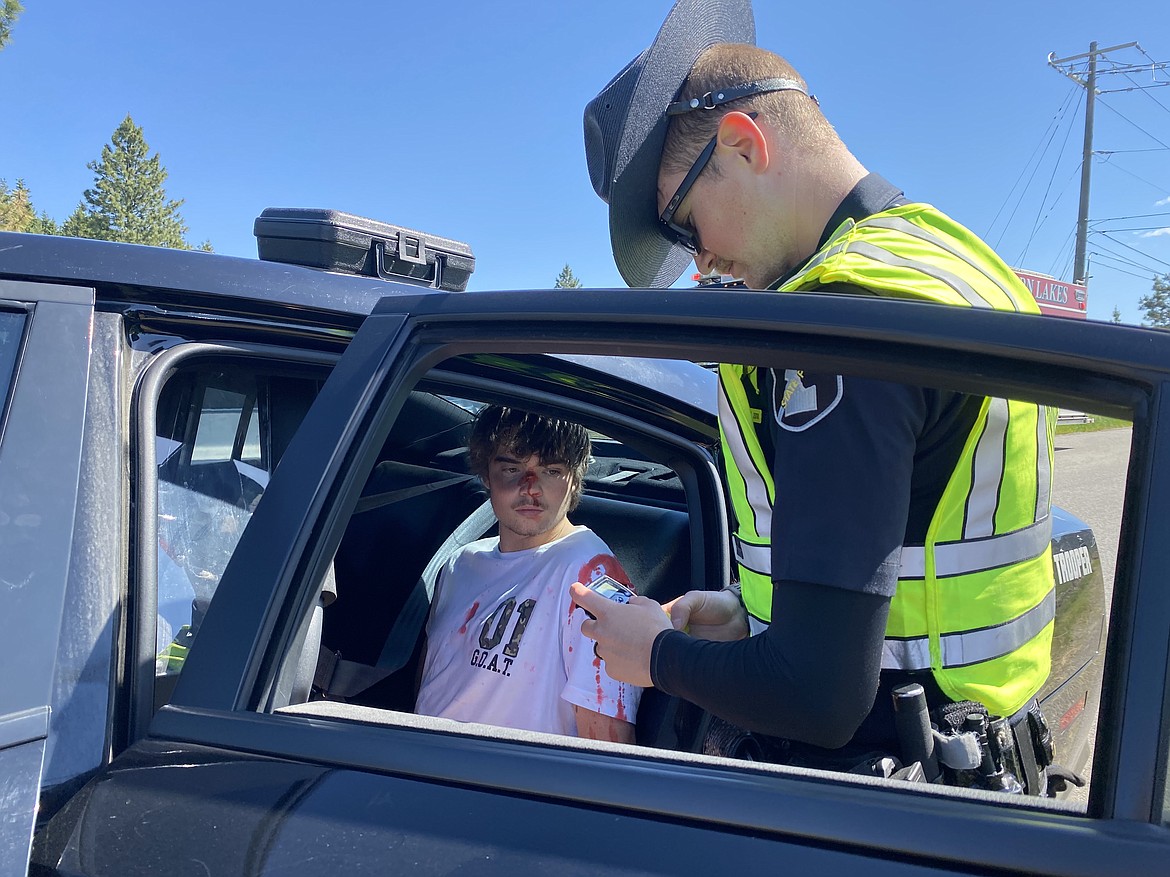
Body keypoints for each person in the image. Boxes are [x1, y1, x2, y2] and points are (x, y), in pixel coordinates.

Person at [573, 0, 1059, 792]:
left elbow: (820, 698)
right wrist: (754, 620)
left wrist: (651, 656)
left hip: (882, 796)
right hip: (968, 768)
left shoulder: (847, 331)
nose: (701, 263)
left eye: (688, 225)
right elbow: (909, 550)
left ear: (741, 142)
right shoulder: (948, 263)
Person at [415, 405, 640, 743]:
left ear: (574, 478)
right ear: (486, 475)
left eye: (550, 470)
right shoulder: (458, 564)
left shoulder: (591, 578)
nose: (531, 487)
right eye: (512, 468)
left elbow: (608, 751)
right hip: (412, 773)